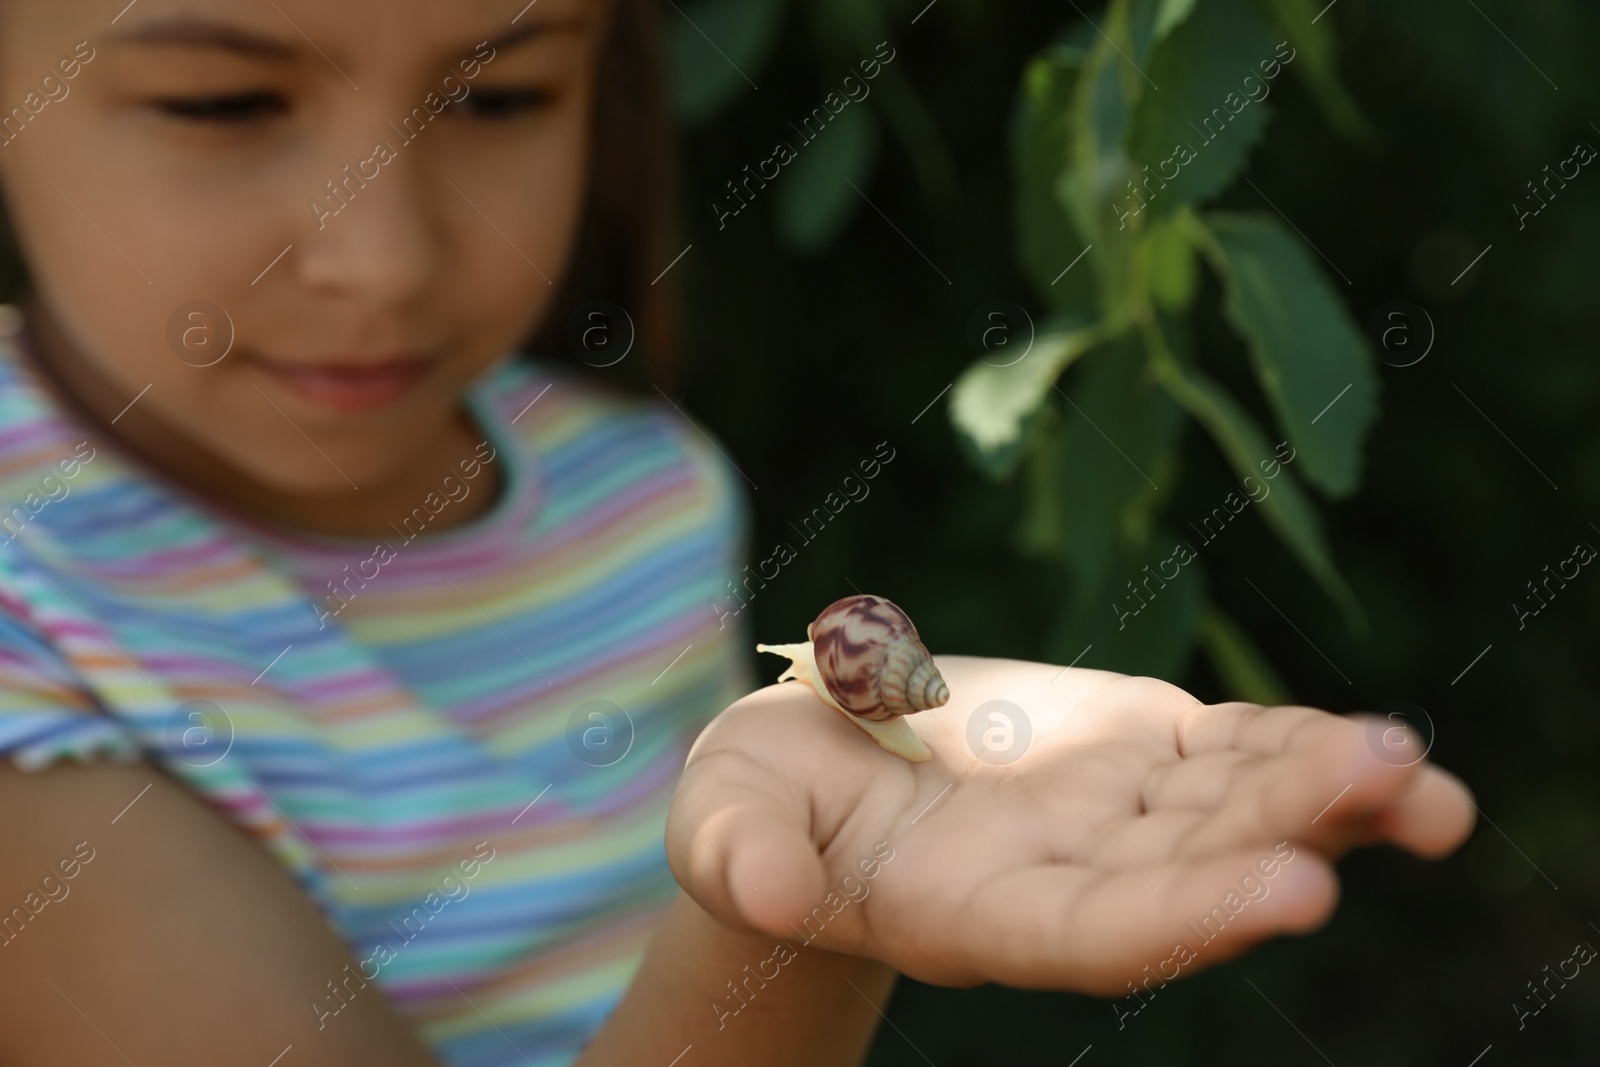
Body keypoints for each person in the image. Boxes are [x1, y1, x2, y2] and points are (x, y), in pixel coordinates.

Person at [0, 0, 1476, 1064]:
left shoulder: (636, 490)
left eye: (499, 96)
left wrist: (819, 814)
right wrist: (796, 921)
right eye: (222, 101)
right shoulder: (29, 599)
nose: (379, 257)